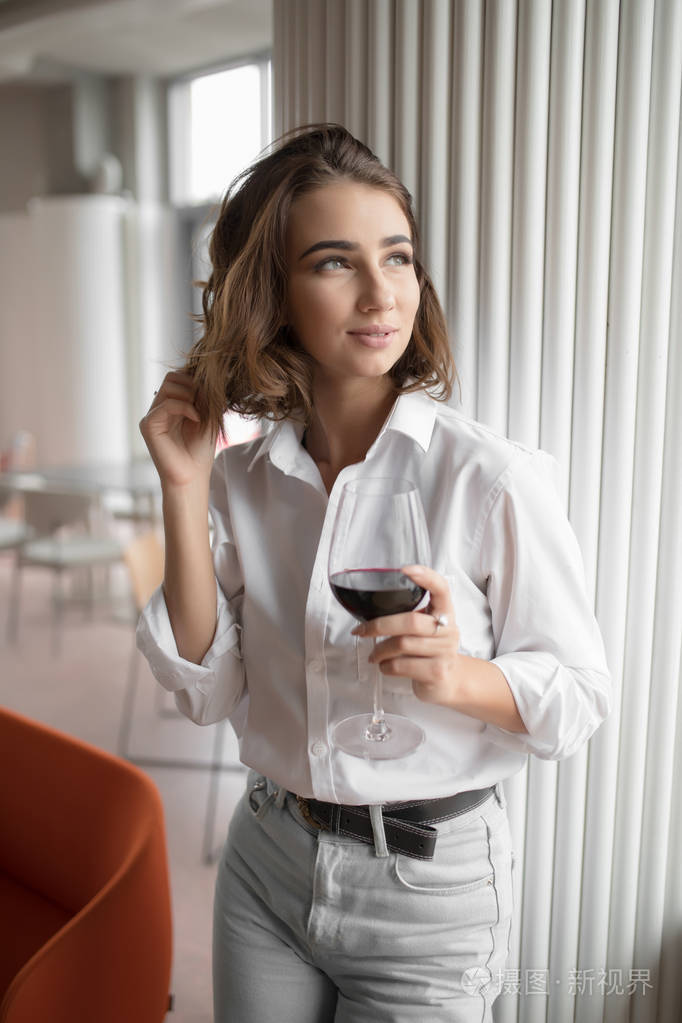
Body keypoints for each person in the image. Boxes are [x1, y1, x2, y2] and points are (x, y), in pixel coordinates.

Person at [137, 123, 611, 1022]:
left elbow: (581, 694)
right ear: (273, 293)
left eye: (396, 257)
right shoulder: (240, 479)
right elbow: (206, 690)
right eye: (334, 263)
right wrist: (181, 486)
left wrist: (458, 674)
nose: (379, 292)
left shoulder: (489, 478)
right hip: (267, 861)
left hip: (427, 893)